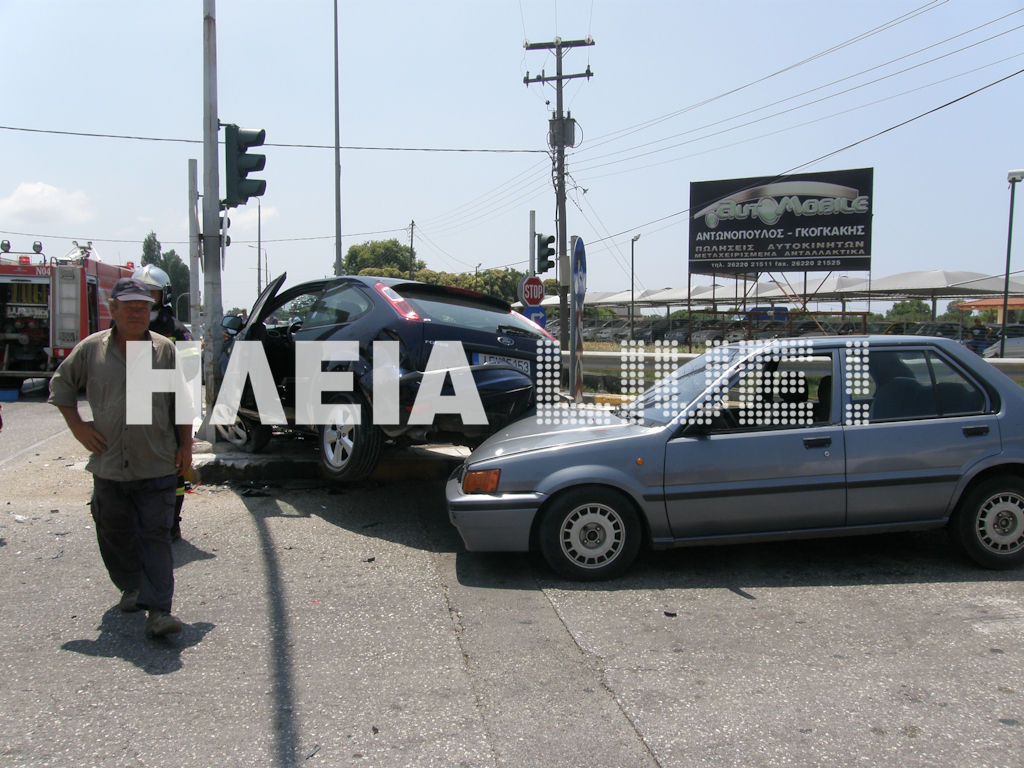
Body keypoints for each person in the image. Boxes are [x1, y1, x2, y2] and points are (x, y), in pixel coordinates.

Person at [49, 277, 192, 638]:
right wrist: (79, 428)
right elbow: (61, 387)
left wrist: (186, 451)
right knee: (112, 532)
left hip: (156, 461)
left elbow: (182, 404)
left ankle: (159, 611)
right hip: (110, 463)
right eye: (128, 306)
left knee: (156, 535)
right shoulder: (92, 350)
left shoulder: (163, 351)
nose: (136, 312)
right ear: (112, 310)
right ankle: (131, 585)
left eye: (142, 307)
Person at [132, 265, 194, 541]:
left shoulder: (177, 330)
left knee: (175, 470)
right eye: (141, 293)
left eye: (152, 294)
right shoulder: (121, 327)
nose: (146, 299)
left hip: (168, 411)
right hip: (135, 408)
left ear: (163, 295)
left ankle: (172, 522)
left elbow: (191, 374)